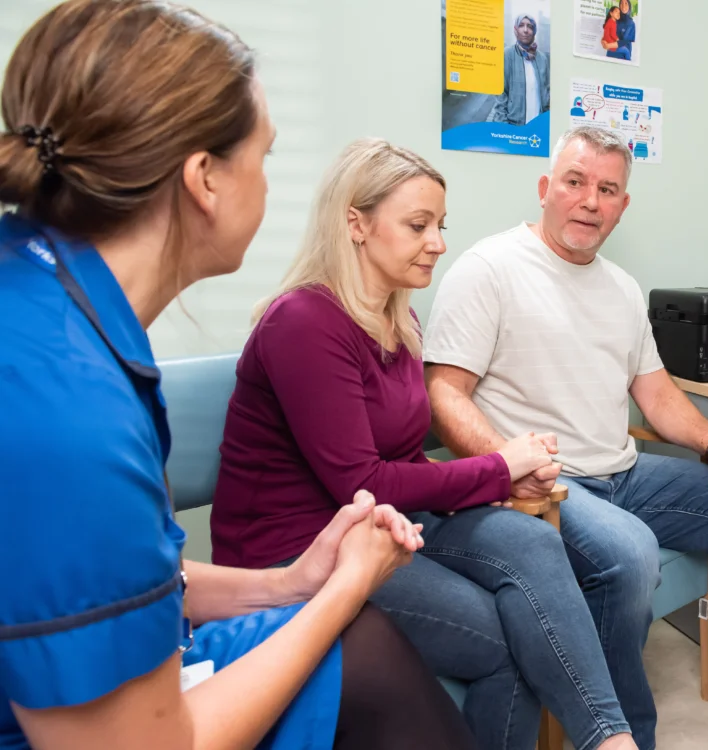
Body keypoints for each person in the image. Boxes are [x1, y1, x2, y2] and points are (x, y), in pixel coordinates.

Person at [0, 2, 474, 749]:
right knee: (365, 638)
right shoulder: (69, 412)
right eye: (266, 155)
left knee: (372, 655)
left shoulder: (45, 299)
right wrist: (342, 588)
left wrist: (286, 584)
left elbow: (138, 577)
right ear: (205, 180)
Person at [209, 138, 639, 750]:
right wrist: (497, 468)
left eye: (440, 225)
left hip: (387, 521)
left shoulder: (398, 319)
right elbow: (365, 483)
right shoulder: (303, 323)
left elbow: (401, 459)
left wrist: (501, 481)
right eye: (418, 225)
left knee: (534, 542)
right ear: (355, 223)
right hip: (300, 546)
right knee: (508, 639)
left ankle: (608, 738)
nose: (438, 242)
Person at [424, 125, 708, 750]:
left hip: (626, 474)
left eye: (607, 188)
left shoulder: (620, 287)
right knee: (630, 553)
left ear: (623, 204)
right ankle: (626, 738)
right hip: (546, 484)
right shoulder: (488, 270)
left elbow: (658, 394)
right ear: (544, 188)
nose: (590, 200)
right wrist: (505, 463)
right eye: (575, 182)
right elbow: (443, 392)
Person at [489, 14, 549, 126]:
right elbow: (500, 94)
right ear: (516, 29)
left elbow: (547, 94)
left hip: (537, 127)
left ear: (534, 31)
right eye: (521, 25)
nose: (525, 30)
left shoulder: (542, 59)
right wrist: (504, 127)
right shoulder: (507, 55)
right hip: (513, 127)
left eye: (530, 26)